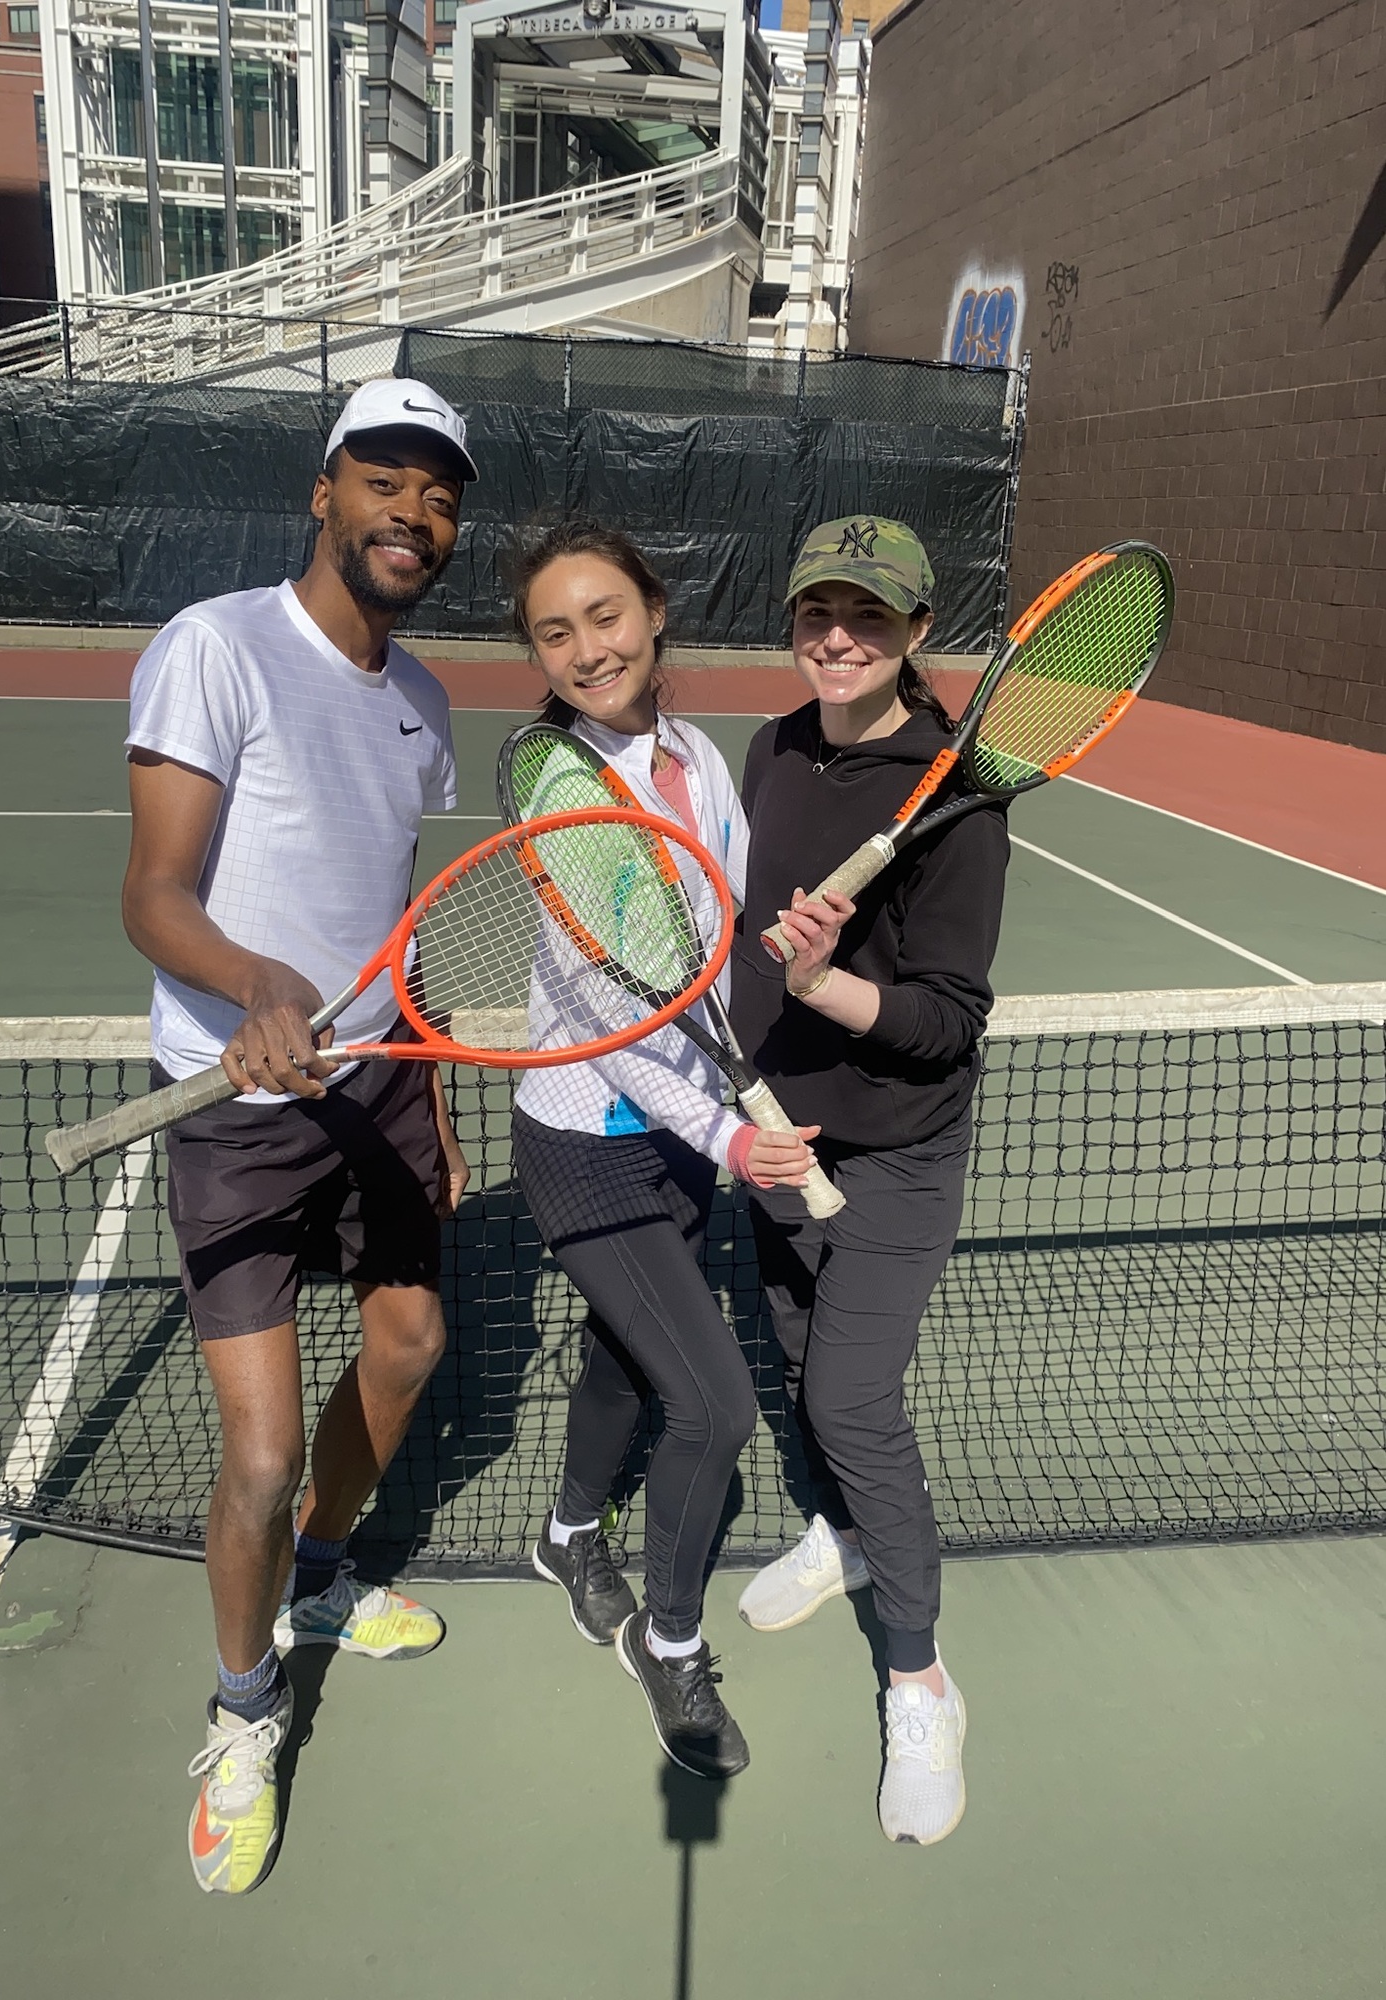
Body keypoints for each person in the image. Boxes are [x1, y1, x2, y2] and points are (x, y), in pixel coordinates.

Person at [121, 379, 477, 1896]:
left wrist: (433, 1087)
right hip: (241, 1107)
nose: (415, 514)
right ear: (323, 490)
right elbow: (154, 893)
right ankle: (246, 1708)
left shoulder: (426, 704)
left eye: (443, 495)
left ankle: (323, 1589)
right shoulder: (215, 644)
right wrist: (254, 984)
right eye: (387, 480)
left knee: (407, 1349)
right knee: (258, 1460)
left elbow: (392, 919)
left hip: (378, 1081)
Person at [506, 520, 819, 1780]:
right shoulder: (555, 779)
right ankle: (670, 1642)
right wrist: (728, 1131)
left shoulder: (694, 755)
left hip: (688, 1133)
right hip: (590, 1137)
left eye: (607, 615)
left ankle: (569, 1529)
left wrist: (792, 941)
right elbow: (613, 1011)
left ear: (656, 609)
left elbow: (713, 939)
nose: (589, 648)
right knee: (716, 1401)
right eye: (555, 631)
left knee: (627, 1364)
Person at [727, 516, 1008, 1845]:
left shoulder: (956, 791)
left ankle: (919, 1675)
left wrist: (828, 984)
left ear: (915, 631)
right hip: (780, 1132)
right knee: (794, 1361)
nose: (836, 638)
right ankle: (838, 1536)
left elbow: (948, 1019)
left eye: (868, 618)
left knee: (850, 1395)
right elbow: (738, 938)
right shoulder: (774, 746)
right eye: (816, 613)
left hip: (899, 1147)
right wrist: (741, 1101)